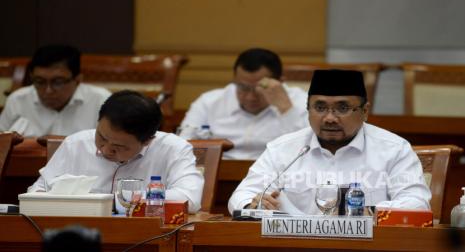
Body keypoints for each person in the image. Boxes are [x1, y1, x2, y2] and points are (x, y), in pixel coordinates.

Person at [228, 69, 431, 214]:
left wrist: (366, 212)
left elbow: (417, 203)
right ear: (308, 109)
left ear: (365, 111)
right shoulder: (284, 149)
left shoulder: (394, 149)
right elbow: (242, 196)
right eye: (320, 107)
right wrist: (253, 205)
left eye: (342, 108)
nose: (330, 118)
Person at [28, 90, 204, 213]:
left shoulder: (173, 148)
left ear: (148, 140)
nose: (105, 150)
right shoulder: (76, 143)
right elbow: (36, 193)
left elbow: (189, 198)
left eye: (119, 147)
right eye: (102, 137)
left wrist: (116, 200)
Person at [179, 48, 308, 160]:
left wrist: (286, 109)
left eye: (260, 88)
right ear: (234, 79)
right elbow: (183, 144)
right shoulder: (209, 102)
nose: (250, 97)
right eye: (242, 87)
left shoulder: (302, 102)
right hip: (220, 174)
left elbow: (307, 150)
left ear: (279, 82)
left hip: (276, 176)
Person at [0, 44, 111, 137]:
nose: (48, 90)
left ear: (77, 80)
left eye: (58, 82)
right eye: (40, 81)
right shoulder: (17, 100)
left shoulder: (101, 101)